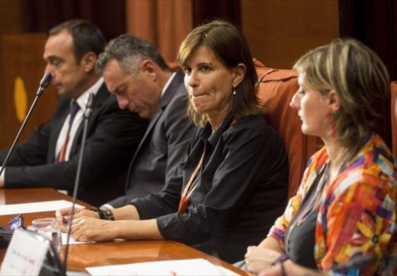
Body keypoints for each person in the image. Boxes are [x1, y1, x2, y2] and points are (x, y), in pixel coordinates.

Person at [57, 20, 288, 263]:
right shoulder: (206, 130)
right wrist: (102, 216)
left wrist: (110, 230)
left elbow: (204, 220)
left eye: (205, 69)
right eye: (188, 70)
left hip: (230, 264)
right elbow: (170, 198)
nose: (192, 81)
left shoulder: (253, 136)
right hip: (192, 254)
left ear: (237, 75)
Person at [244, 38, 397, 275]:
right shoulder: (324, 157)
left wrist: (282, 269)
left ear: (333, 101)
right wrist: (260, 262)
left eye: (303, 92)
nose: (293, 102)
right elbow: (283, 228)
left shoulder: (365, 183)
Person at [0, 19, 147, 206]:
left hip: (95, 216)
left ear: (88, 62)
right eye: (47, 63)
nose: (48, 72)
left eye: (56, 62)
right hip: (55, 209)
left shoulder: (118, 106)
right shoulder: (67, 103)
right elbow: (32, 150)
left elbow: (75, 172)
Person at [94, 34, 196, 209]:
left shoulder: (181, 104)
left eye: (122, 90)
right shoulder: (163, 104)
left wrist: (108, 215)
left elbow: (174, 195)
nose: (121, 104)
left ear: (149, 70)